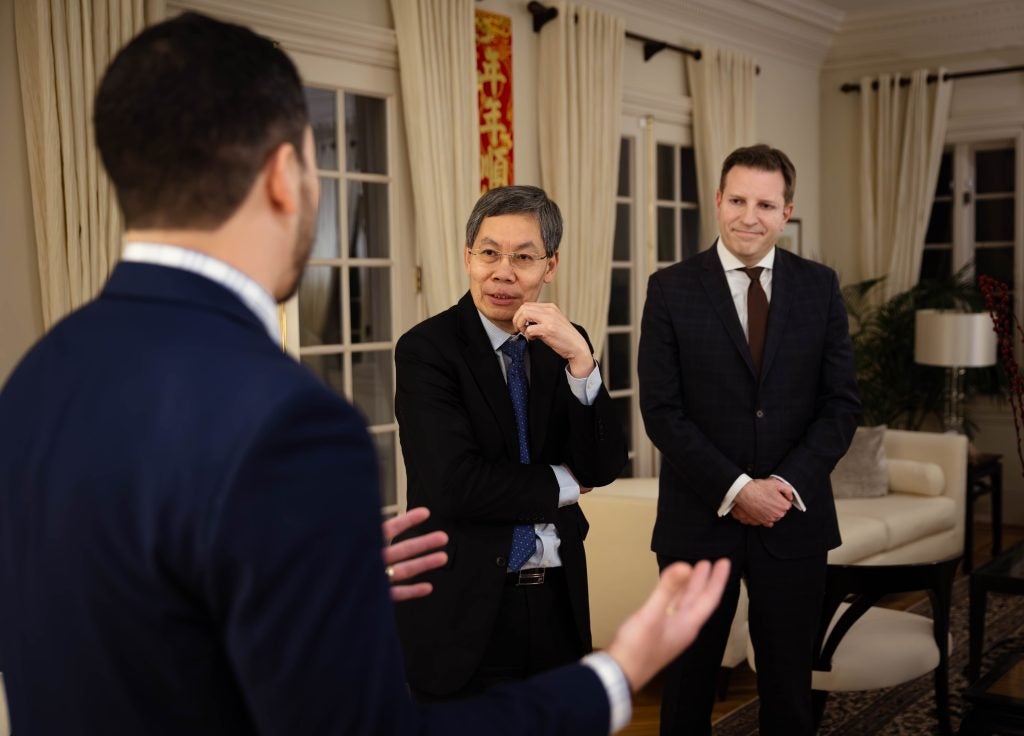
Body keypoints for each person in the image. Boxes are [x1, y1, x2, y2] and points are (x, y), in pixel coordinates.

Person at [0, 12, 730, 735]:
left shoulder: (35, 378)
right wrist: (618, 674)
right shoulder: (290, 421)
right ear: (287, 174)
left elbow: (123, 619)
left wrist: (307, 574)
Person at [638, 144, 861, 735]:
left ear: (786, 211)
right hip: (698, 520)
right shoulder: (670, 289)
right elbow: (661, 411)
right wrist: (737, 489)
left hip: (793, 521)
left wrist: (782, 486)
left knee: (789, 691)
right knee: (686, 690)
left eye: (765, 203)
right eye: (737, 199)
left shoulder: (819, 287)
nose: (748, 216)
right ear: (717, 201)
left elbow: (841, 404)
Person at [393, 185, 629, 700]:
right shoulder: (426, 351)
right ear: (467, 257)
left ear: (550, 265)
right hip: (465, 606)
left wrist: (583, 365)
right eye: (489, 253)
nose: (503, 272)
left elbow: (606, 463)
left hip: (557, 606)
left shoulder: (563, 341)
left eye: (523, 257)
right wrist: (567, 482)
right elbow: (457, 485)